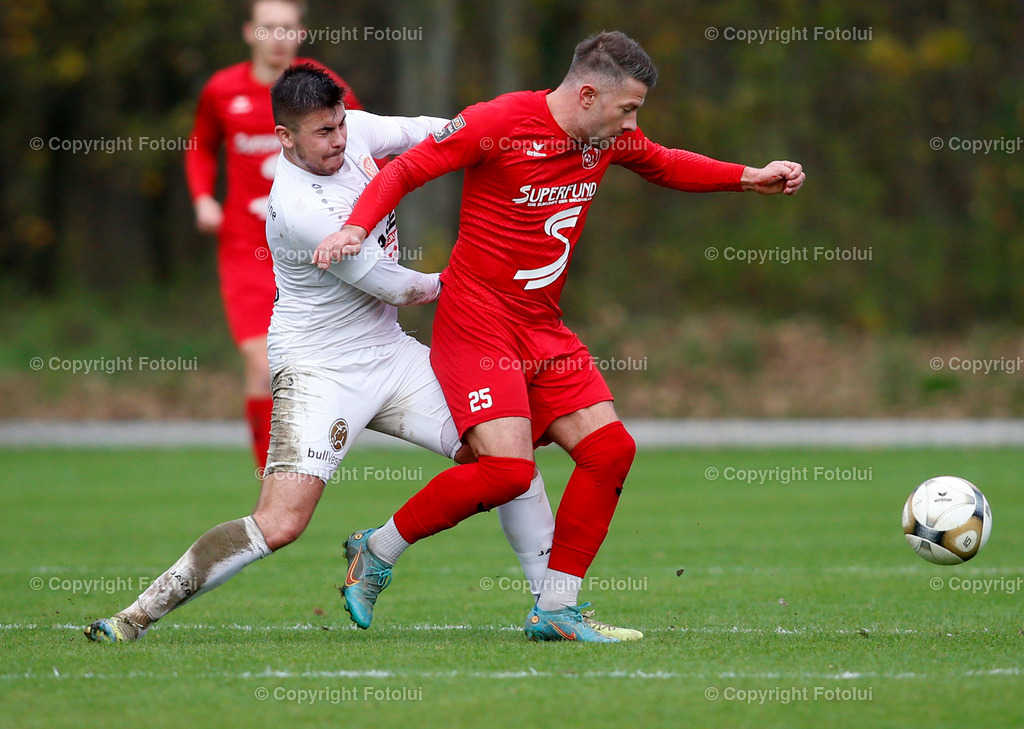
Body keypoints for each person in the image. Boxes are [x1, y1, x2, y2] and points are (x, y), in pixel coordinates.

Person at [315, 31, 806, 643]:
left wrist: (747, 177)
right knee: (508, 474)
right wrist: (357, 229)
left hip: (541, 325)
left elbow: (666, 162)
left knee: (610, 452)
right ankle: (378, 549)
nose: (634, 122)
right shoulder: (498, 121)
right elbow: (408, 169)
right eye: (628, 108)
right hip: (479, 321)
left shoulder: (609, 138)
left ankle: (556, 610)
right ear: (590, 93)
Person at [84, 64, 567, 642]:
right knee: (279, 524)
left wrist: (504, 139)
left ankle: (554, 610)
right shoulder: (302, 209)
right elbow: (394, 286)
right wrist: (466, 280)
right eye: (322, 131)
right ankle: (136, 617)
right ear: (285, 137)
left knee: (505, 458)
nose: (338, 138)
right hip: (319, 368)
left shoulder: (353, 129)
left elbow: (425, 131)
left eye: (339, 124)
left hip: (389, 352)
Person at [185, 0, 363, 469]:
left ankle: (311, 460)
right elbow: (200, 147)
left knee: (314, 366)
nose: (278, 37)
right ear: (250, 32)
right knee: (263, 364)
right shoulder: (223, 90)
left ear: (300, 33)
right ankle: (272, 473)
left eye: (287, 28)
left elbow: (363, 148)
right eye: (268, 28)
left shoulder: (325, 88)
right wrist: (204, 198)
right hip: (247, 247)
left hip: (313, 250)